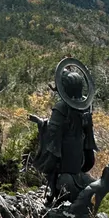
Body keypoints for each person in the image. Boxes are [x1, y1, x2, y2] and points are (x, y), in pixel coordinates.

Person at [30, 58, 97, 205]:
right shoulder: (85, 106)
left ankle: (53, 192)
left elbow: (53, 134)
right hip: (79, 152)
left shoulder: (60, 108)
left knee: (53, 160)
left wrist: (42, 124)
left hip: (64, 155)